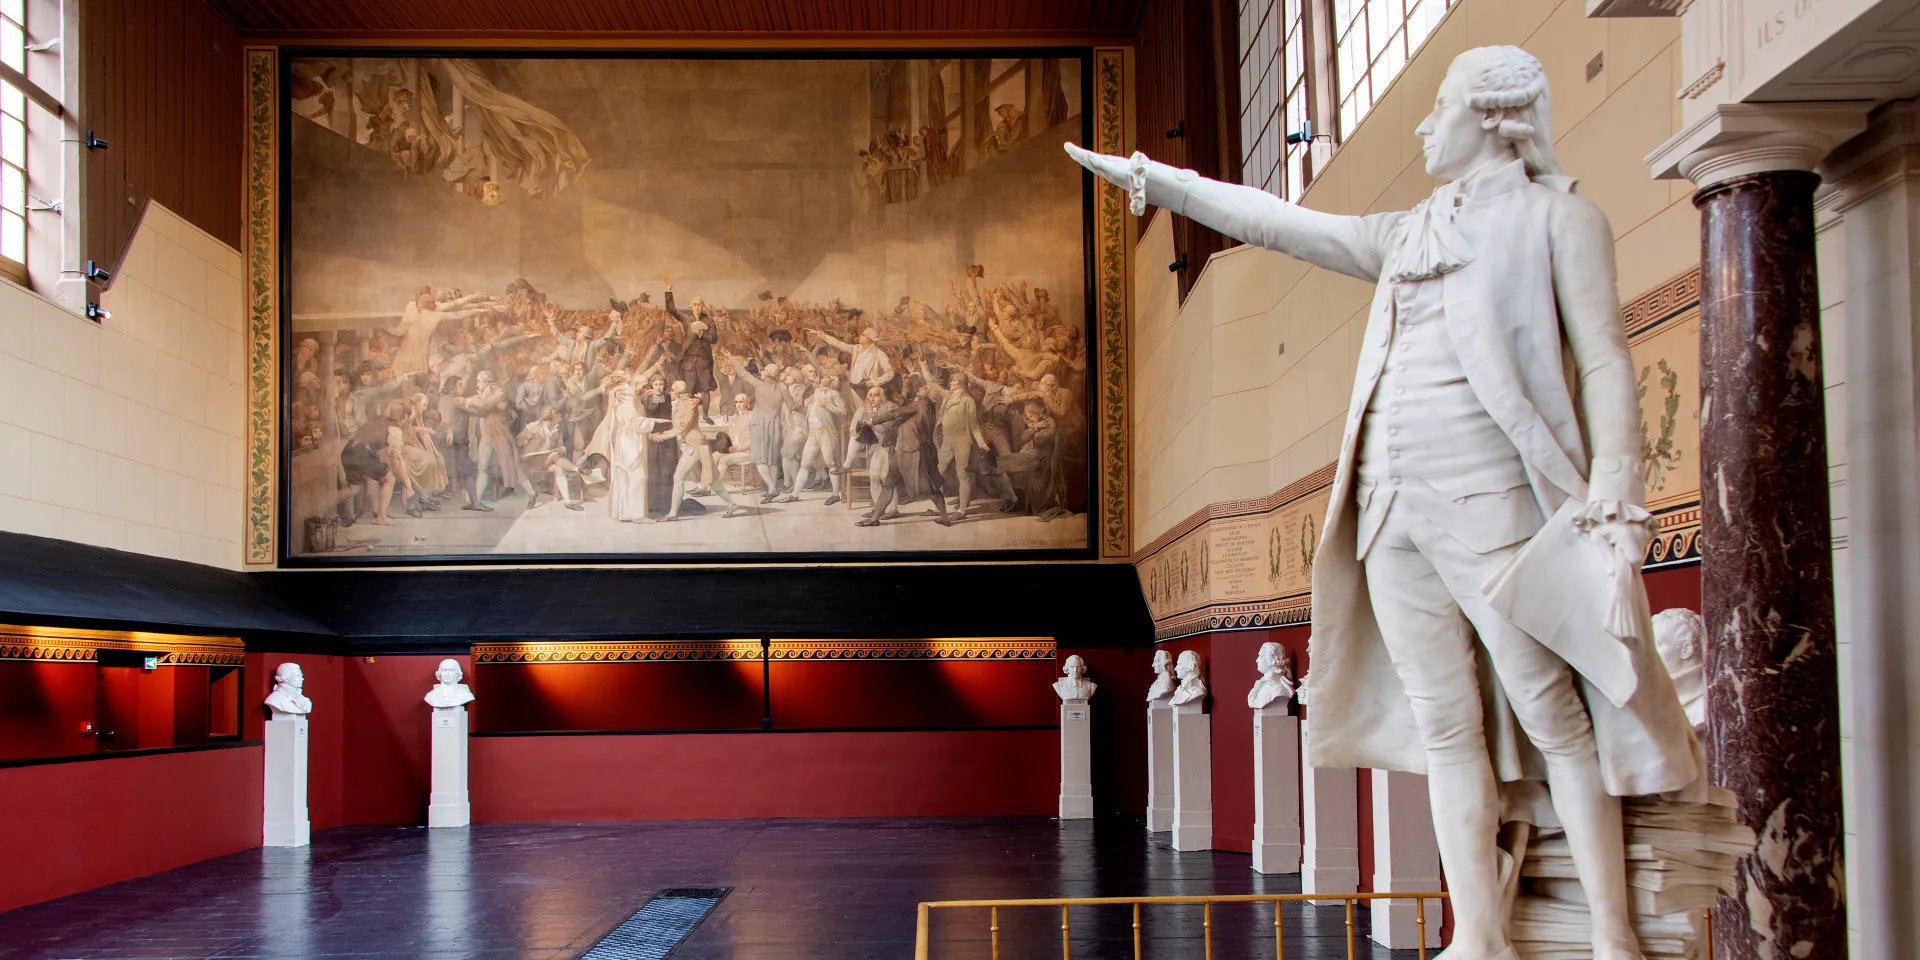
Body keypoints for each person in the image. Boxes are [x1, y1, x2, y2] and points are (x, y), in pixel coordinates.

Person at [1066, 45, 1696, 960]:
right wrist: (1156, 181)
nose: (1424, 125)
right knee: (1446, 728)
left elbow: (1603, 358)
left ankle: (1612, 937)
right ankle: (1480, 936)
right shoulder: (1408, 234)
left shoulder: (1560, 220)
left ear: (1495, 117)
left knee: (1555, 717)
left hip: (1496, 503)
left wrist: (1617, 494)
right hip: (1389, 509)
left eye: (1441, 107)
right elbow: (1279, 222)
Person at [657, 380, 742, 520]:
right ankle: (731, 504)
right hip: (689, 445)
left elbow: (682, 427)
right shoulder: (679, 403)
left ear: (679, 392)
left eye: (672, 390)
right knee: (711, 479)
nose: (670, 392)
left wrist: (662, 436)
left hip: (695, 446)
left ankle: (673, 514)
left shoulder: (690, 404)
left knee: (678, 477)